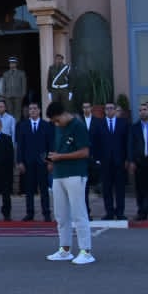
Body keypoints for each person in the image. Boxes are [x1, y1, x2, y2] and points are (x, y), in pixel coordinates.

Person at [44, 100, 94, 265]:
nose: (56, 124)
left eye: (57, 120)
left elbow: (85, 152)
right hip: (59, 174)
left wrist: (61, 157)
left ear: (63, 114)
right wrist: (53, 158)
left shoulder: (78, 126)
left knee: (79, 213)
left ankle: (86, 251)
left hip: (75, 173)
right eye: (54, 122)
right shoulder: (59, 127)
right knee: (61, 214)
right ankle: (65, 249)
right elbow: (60, 148)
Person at [14, 101, 52, 221]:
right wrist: (20, 161)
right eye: (30, 109)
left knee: (44, 189)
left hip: (43, 162)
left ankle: (46, 213)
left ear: (39, 110)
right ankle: (30, 213)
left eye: (35, 108)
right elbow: (20, 145)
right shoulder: (23, 126)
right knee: (29, 189)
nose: (33, 111)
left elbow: (50, 145)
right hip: (28, 162)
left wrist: (50, 161)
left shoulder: (46, 125)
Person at [92, 101, 129, 220]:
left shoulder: (123, 123)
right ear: (105, 111)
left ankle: (120, 212)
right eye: (107, 108)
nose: (109, 110)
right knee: (106, 189)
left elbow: (127, 142)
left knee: (120, 189)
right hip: (105, 162)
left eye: (111, 108)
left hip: (120, 161)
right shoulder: (99, 124)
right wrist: (97, 159)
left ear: (115, 110)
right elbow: (95, 142)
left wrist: (127, 159)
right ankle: (109, 212)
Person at [1, 56, 27, 122]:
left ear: (16, 64)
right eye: (10, 63)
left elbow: (24, 84)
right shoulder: (5, 74)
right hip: (8, 95)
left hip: (18, 95)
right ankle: (11, 123)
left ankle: (16, 124)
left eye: (13, 63)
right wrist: (4, 94)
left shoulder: (21, 73)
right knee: (9, 110)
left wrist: (23, 94)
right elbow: (4, 85)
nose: (12, 64)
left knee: (17, 111)